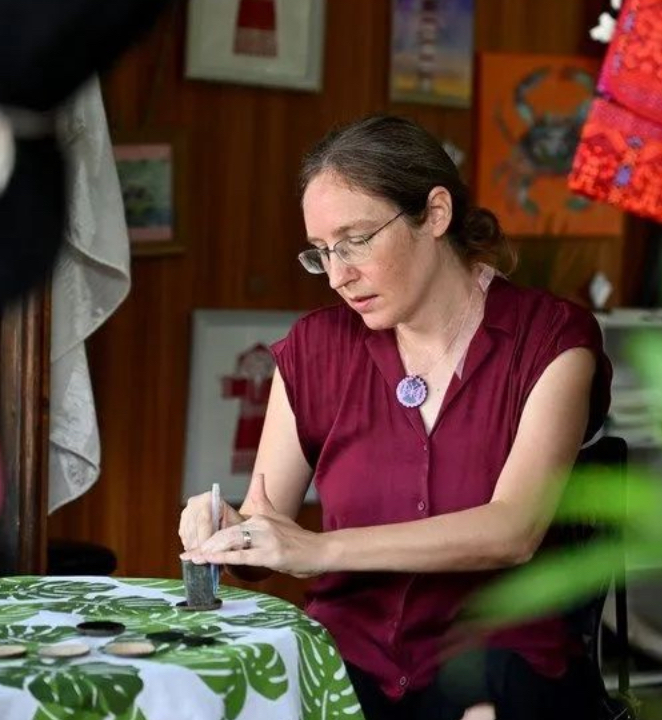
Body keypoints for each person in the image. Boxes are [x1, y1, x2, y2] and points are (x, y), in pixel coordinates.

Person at [178, 115, 613, 720]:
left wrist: (320, 549)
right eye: (322, 253)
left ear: (434, 214)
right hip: (347, 653)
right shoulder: (312, 350)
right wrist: (230, 533)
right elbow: (268, 521)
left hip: (495, 652)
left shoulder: (550, 339)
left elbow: (512, 531)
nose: (338, 276)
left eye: (356, 243)